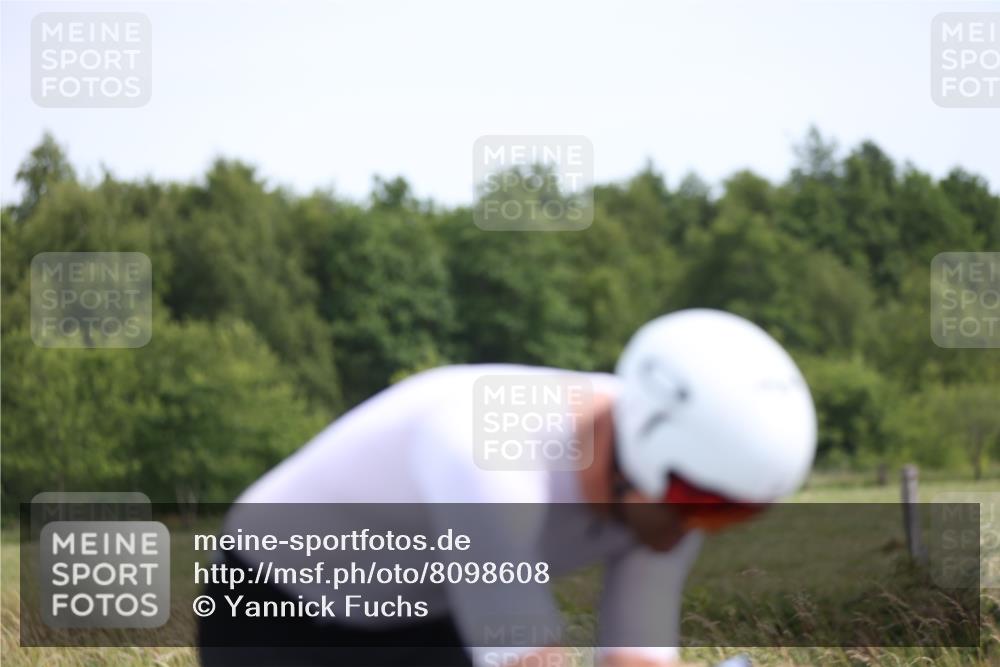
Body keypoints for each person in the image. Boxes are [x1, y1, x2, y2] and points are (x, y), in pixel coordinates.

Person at [198, 309, 816, 667]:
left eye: (730, 518)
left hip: (421, 616)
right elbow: (525, 656)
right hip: (270, 609)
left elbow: (637, 648)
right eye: (702, 512)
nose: (696, 532)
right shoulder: (489, 453)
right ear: (640, 458)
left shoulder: (676, 485)